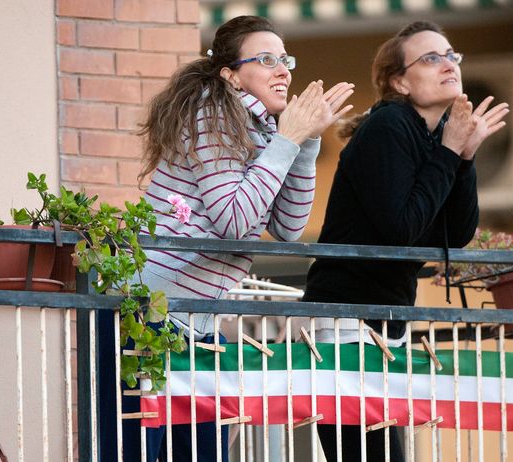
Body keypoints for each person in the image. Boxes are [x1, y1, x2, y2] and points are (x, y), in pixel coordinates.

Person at [98, 15, 354, 462]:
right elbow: (234, 222)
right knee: (136, 451)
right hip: (147, 314)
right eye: (267, 59)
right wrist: (288, 140)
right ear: (231, 74)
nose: (283, 70)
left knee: (202, 451)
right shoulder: (212, 114)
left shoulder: (266, 131)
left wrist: (305, 143)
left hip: (198, 324)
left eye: (285, 59)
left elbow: (289, 228)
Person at [301, 21, 509, 462]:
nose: (448, 64)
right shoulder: (390, 126)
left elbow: (456, 233)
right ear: (399, 81)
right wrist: (450, 152)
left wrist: (464, 157)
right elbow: (403, 229)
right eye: (430, 58)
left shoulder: (429, 137)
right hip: (346, 323)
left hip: (385, 325)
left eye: (451, 55)